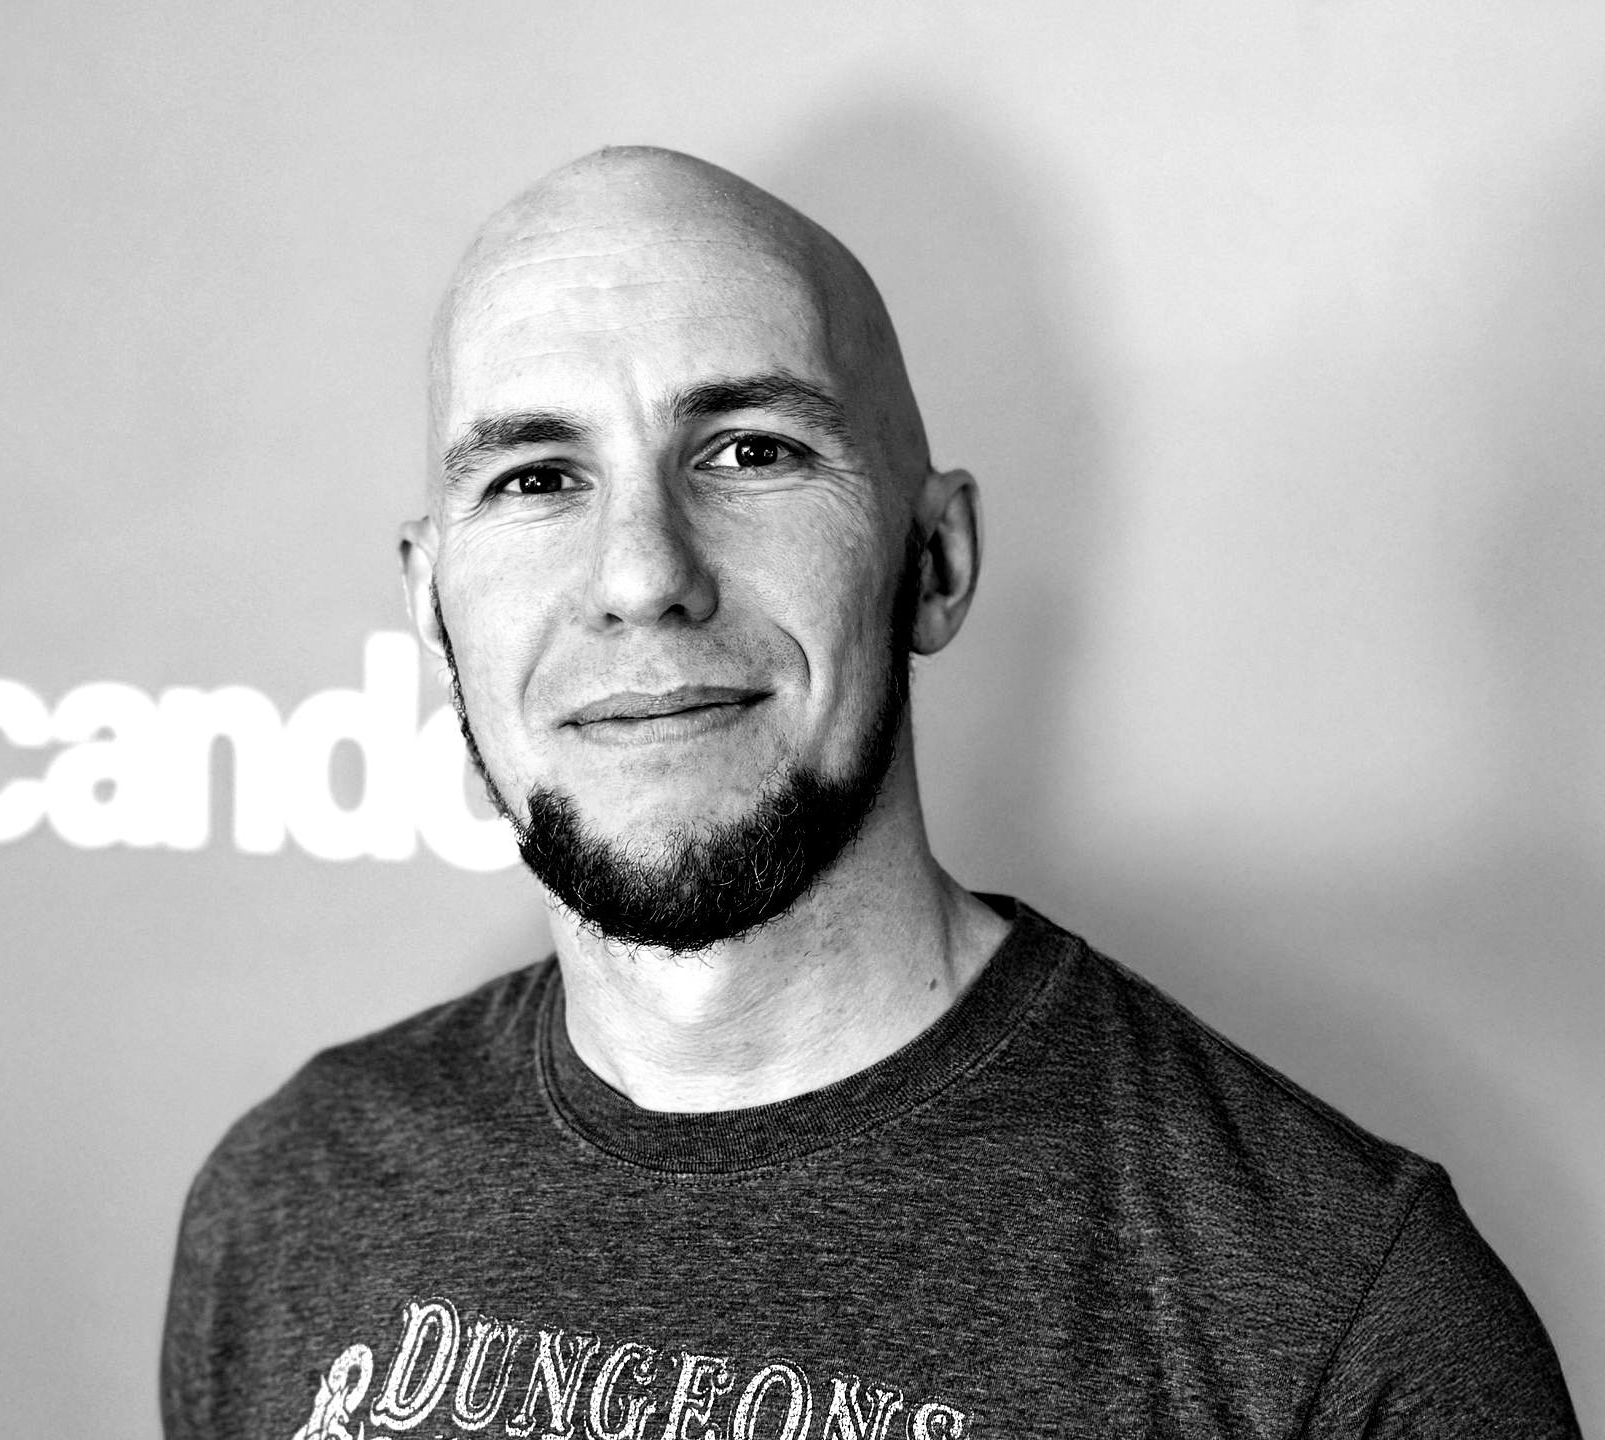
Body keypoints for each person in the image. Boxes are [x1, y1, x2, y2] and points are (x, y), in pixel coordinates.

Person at [162, 147, 1577, 1438]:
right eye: (537, 478)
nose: (642, 573)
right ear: (429, 602)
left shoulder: (1338, 1320)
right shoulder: (291, 1200)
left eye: (751, 452)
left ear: (937, 560)